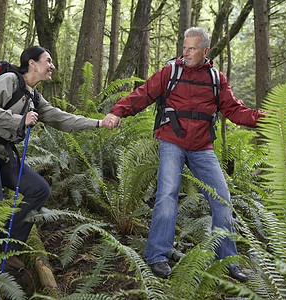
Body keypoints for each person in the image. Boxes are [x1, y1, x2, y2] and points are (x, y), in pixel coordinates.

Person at [103, 27, 264, 282]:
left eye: (191, 48)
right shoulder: (171, 72)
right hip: (172, 142)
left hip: (203, 147)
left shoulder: (216, 79)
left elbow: (235, 110)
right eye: (184, 47)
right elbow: (142, 94)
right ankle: (157, 257)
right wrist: (117, 111)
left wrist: (265, 119)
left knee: (222, 198)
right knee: (167, 194)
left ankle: (227, 261)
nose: (185, 53)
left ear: (205, 51)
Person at [0, 46, 111, 266]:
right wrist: (19, 120)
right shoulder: (9, 80)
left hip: (3, 154)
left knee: (39, 190)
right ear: (32, 63)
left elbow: (61, 118)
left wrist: (98, 123)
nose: (52, 66)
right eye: (48, 61)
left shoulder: (33, 96)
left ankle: (8, 244)